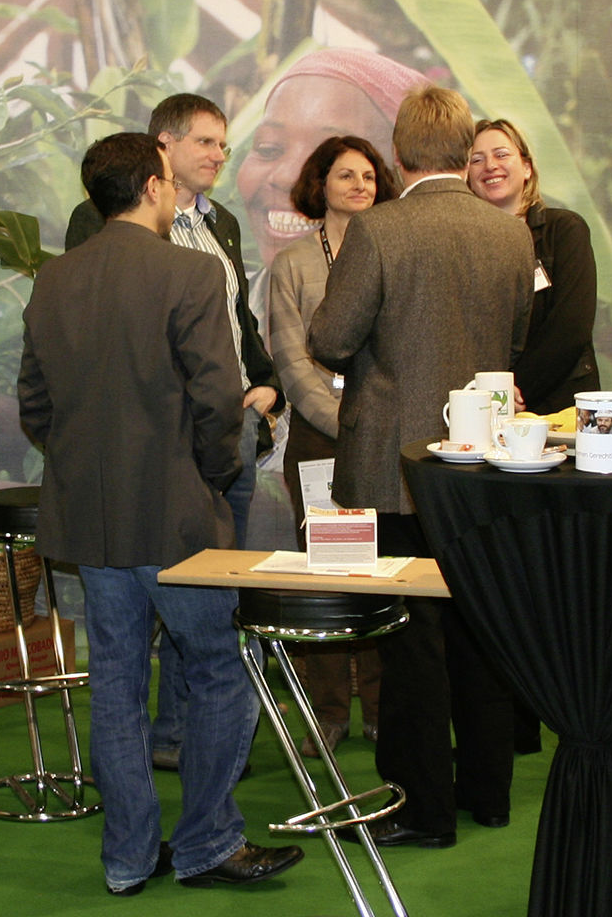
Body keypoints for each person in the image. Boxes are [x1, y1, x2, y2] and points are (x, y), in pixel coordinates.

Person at [18, 132, 303, 895]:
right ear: (152, 186)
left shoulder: (55, 280)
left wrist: (85, 463)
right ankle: (208, 841)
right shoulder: (190, 272)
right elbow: (217, 400)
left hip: (92, 519)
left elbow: (35, 406)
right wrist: (209, 477)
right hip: (177, 514)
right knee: (218, 673)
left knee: (114, 681)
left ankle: (128, 857)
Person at [308, 85, 535, 846]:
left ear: (399, 156)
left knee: (410, 641)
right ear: (464, 150)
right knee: (480, 630)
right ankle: (489, 793)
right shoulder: (511, 235)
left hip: (394, 465)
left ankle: (419, 810)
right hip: (484, 463)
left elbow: (331, 340)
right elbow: (517, 338)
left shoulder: (378, 230)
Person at [65, 93, 284, 769]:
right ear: (164, 148)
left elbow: (236, 316)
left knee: (212, 602)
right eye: (206, 143)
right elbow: (100, 333)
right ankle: (182, 751)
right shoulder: (103, 220)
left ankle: (189, 738)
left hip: (233, 428)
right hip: (162, 445)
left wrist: (265, 382)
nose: (221, 155)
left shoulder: (219, 222)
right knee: (168, 612)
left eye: (223, 144)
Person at [266, 135, 397, 758]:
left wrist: (373, 420)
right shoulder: (292, 263)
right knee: (324, 573)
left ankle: (380, 707)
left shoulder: (395, 251)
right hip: (322, 437)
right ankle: (326, 711)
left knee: (378, 571)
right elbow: (291, 361)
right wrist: (347, 419)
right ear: (319, 185)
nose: (360, 185)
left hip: (386, 435)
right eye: (346, 175)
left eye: (369, 175)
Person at [236, 47, 431, 323]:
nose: (287, 176)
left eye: (327, 158)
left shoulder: (412, 316)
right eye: (268, 148)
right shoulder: (223, 306)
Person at [467, 119, 599, 416]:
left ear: (526, 168)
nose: (490, 165)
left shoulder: (564, 230)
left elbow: (571, 326)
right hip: (485, 411)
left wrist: (515, 388)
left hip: (561, 410)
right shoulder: (460, 246)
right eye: (477, 159)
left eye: (501, 154)